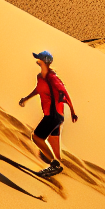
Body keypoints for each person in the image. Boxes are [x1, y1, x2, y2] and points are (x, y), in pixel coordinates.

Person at [17, 50, 77, 178]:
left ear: (44, 61)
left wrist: (72, 112)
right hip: (53, 115)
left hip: (54, 115)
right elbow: (38, 89)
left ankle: (54, 165)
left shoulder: (52, 77)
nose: (37, 60)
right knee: (51, 142)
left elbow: (64, 92)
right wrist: (26, 98)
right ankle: (57, 166)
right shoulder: (40, 77)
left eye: (39, 58)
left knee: (37, 137)